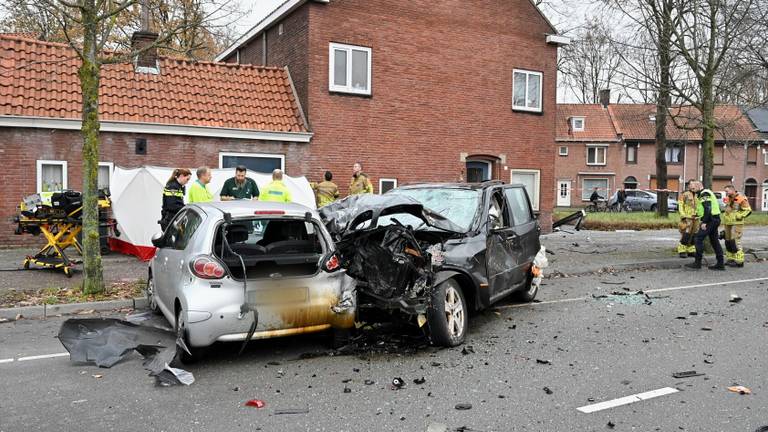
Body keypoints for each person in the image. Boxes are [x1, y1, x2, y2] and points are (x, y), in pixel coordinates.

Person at [685, 181, 725, 270]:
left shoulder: (704, 193)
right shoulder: (703, 194)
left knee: (698, 238)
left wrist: (704, 222)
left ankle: (697, 263)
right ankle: (720, 263)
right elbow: (704, 208)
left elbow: (708, 208)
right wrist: (698, 215)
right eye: (691, 189)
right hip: (714, 219)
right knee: (714, 241)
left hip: (711, 220)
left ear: (699, 186)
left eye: (693, 189)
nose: (693, 191)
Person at [722, 184, 752, 267]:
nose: (726, 193)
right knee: (728, 241)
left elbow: (748, 210)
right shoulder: (728, 198)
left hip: (737, 223)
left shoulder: (741, 198)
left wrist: (740, 216)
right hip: (728, 223)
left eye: (727, 191)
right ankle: (731, 259)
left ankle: (739, 261)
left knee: (735, 242)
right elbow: (728, 209)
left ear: (732, 190)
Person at [676, 180, 698, 258]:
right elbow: (680, 205)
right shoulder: (684, 194)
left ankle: (691, 250)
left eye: (695, 184)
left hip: (696, 218)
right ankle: (682, 250)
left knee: (694, 234)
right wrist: (683, 215)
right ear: (688, 186)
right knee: (686, 234)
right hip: (687, 218)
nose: (694, 186)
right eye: (692, 184)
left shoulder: (698, 194)